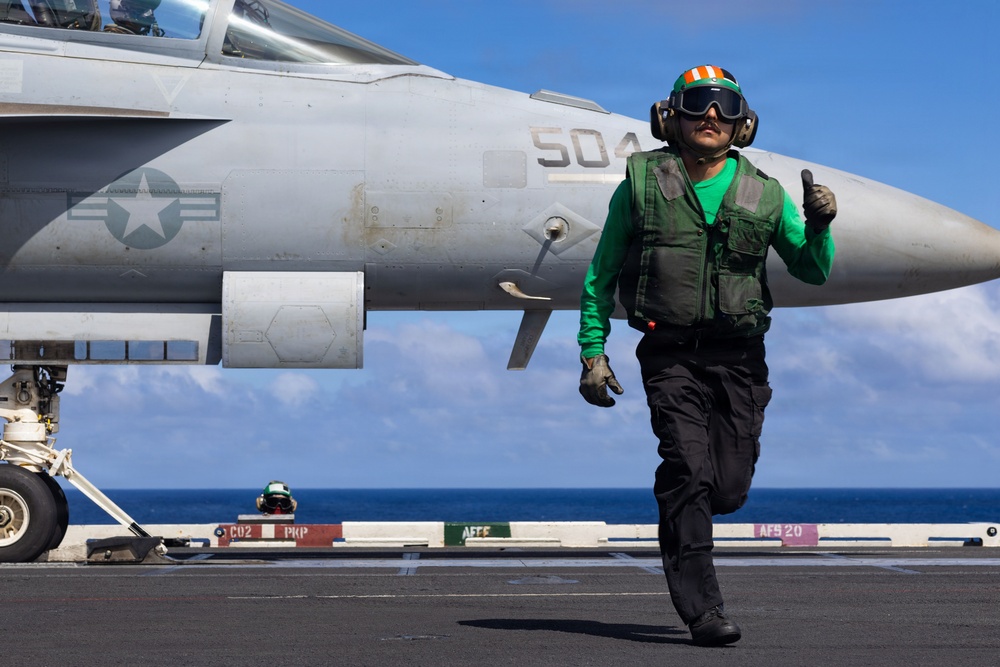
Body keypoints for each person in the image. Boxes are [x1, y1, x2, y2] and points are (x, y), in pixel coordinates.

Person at [577, 65, 836, 646]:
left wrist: (819, 225)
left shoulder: (764, 193)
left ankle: (686, 505)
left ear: (743, 122)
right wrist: (593, 351)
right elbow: (601, 274)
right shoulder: (641, 186)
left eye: (723, 104)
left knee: (728, 489)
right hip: (669, 354)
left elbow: (812, 270)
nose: (711, 115)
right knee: (688, 471)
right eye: (697, 103)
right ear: (671, 116)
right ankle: (703, 612)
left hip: (740, 358)